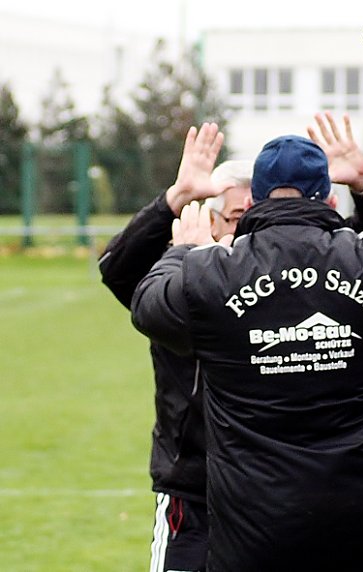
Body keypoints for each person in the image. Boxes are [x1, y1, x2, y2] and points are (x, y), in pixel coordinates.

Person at [129, 130, 363, 571]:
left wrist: (183, 252)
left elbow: (147, 304)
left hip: (255, 539)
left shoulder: (214, 274)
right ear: (328, 200)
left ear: (253, 203)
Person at [99, 123, 249, 572]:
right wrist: (176, 198)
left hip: (261, 490)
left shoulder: (281, 283)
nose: (247, 231)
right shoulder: (176, 286)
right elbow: (118, 270)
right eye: (238, 218)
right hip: (192, 492)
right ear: (210, 219)